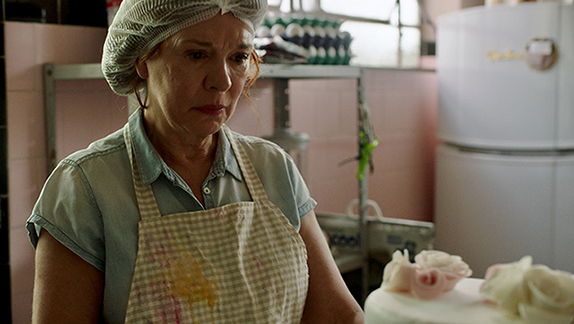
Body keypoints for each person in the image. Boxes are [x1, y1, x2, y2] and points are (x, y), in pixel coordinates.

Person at [26, 0, 364, 323]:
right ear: (143, 59)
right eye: (197, 54)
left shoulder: (274, 168)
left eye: (238, 57)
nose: (223, 80)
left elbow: (339, 315)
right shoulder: (84, 188)